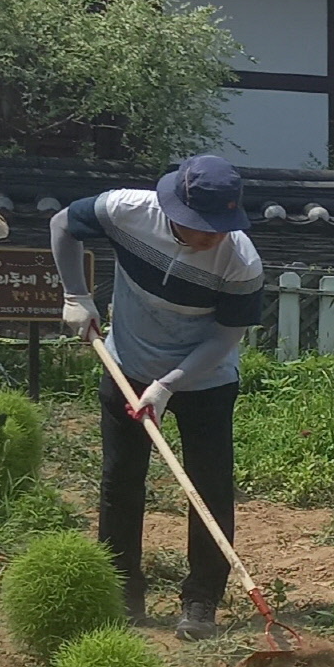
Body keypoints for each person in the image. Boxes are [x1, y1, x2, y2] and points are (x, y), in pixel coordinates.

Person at [49, 155, 264, 638]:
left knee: (209, 486)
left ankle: (202, 599)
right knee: (121, 479)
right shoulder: (126, 210)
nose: (212, 236)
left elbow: (225, 337)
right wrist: (75, 295)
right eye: (200, 226)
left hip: (204, 379)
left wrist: (169, 384)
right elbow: (64, 224)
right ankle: (123, 589)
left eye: (221, 226)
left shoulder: (241, 261)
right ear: (173, 208)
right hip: (126, 366)